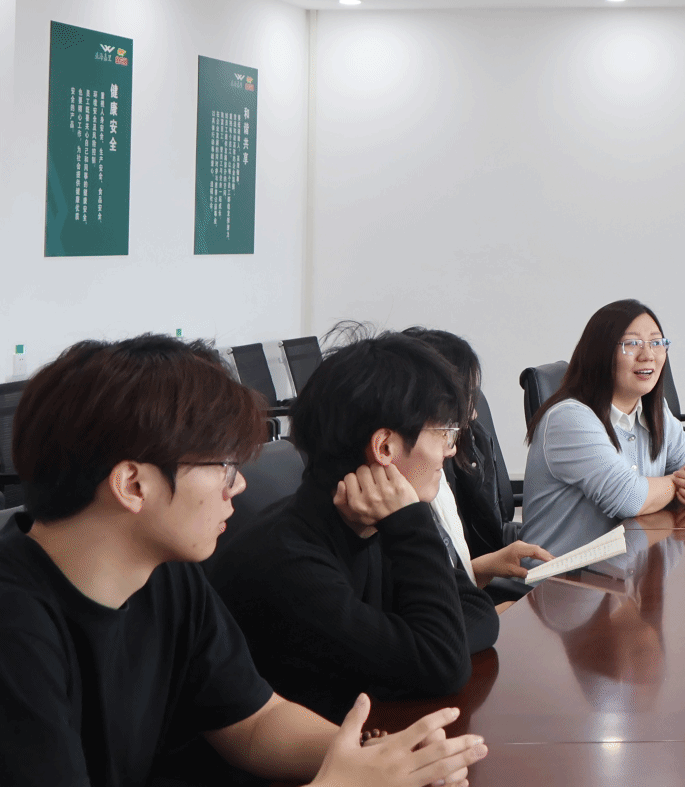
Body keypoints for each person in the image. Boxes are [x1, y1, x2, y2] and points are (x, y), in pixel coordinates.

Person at [0, 334, 486, 786]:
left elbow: (256, 722)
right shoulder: (15, 626)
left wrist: (373, 756)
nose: (240, 486)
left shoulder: (169, 578)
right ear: (133, 485)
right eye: (225, 466)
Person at [211, 333, 515, 721]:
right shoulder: (286, 562)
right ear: (385, 447)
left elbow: (476, 610)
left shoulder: (374, 524)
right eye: (445, 432)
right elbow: (443, 662)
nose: (451, 448)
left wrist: (423, 646)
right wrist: (412, 522)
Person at [522, 299, 685, 557]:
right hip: (563, 575)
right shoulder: (569, 419)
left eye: (656, 343)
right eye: (632, 343)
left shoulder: (654, 409)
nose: (648, 355)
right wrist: (683, 483)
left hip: (623, 568)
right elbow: (630, 499)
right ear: (600, 354)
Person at [394, 326, 550, 587]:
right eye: (465, 394)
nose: (473, 413)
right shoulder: (414, 486)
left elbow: (448, 582)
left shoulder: (451, 460)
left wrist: (486, 567)